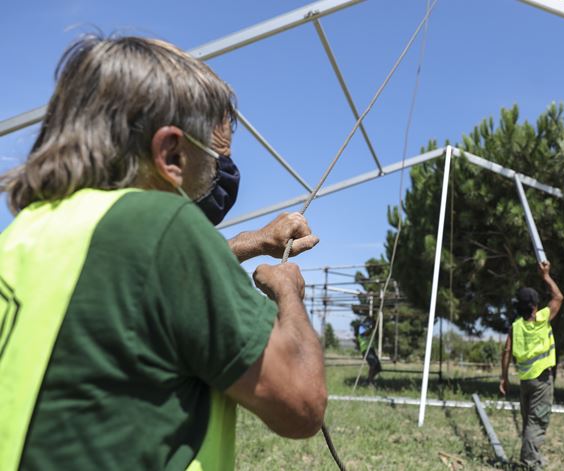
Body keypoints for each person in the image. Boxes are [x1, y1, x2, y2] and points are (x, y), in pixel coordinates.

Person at [0, 35, 326, 470]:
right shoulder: (163, 225)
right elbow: (301, 405)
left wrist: (251, 242)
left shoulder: (27, 233)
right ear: (170, 153)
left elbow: (141, 291)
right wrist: (288, 292)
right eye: (215, 160)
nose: (222, 177)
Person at [499, 260, 563, 470]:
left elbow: (506, 350)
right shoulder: (542, 319)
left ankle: (532, 457)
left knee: (529, 422)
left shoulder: (516, 327)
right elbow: (558, 297)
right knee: (537, 422)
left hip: (526, 380)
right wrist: (545, 276)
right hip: (542, 380)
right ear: (535, 306)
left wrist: (504, 377)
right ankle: (529, 463)